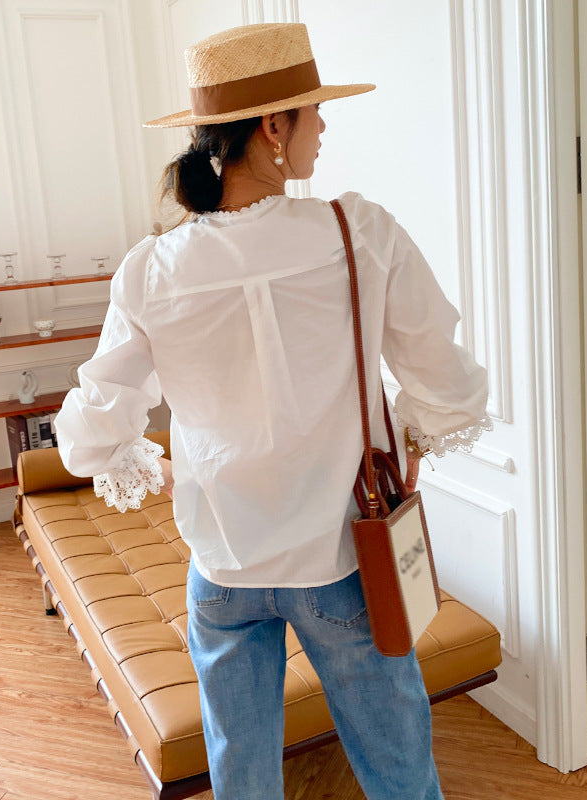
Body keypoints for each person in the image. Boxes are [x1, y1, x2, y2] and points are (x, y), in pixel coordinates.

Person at [54, 23, 490, 800]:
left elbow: (91, 433)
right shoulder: (358, 233)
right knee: (398, 775)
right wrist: (413, 438)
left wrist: (149, 466)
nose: (323, 128)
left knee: (243, 783)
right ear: (272, 127)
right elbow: (448, 380)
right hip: (344, 563)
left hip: (223, 568)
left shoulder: (151, 269)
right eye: (313, 112)